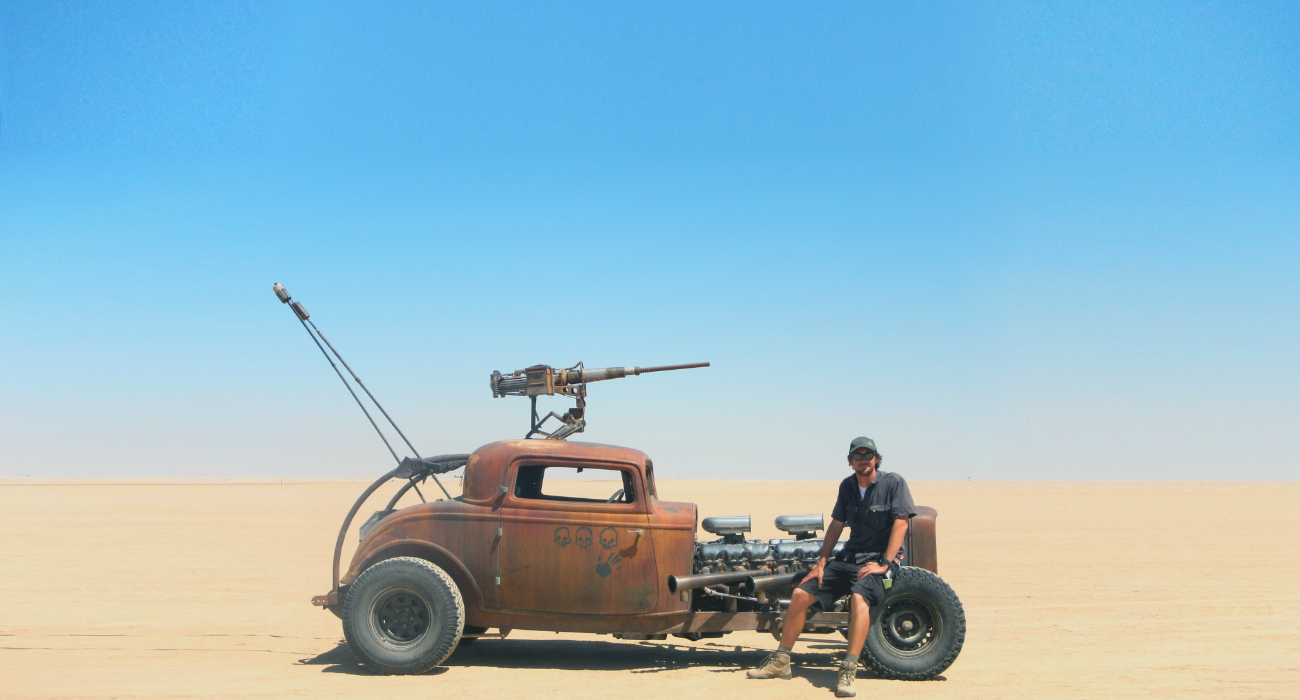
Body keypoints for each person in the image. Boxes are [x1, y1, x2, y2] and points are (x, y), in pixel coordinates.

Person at [747, 436, 915, 697]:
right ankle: (781, 661)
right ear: (850, 461)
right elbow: (837, 524)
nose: (863, 460)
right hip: (849, 558)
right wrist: (822, 563)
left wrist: (884, 563)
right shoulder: (847, 486)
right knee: (800, 594)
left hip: (877, 560)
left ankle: (848, 670)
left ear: (876, 459)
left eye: (868, 455)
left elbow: (901, 523)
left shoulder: (893, 482)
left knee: (859, 599)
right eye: (857, 455)